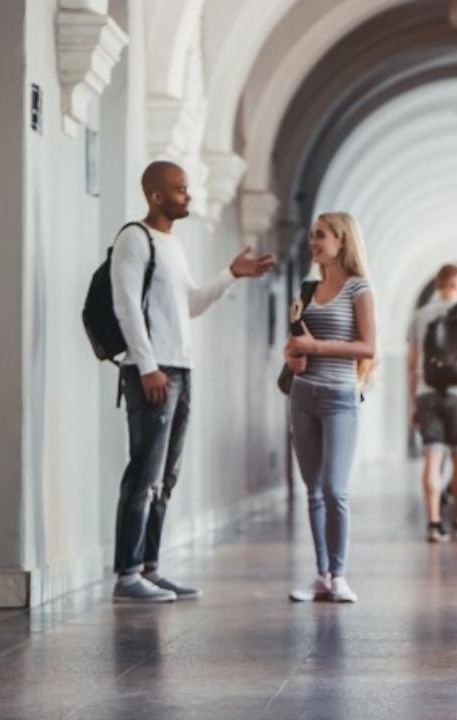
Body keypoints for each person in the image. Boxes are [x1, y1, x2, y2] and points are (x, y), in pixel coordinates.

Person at [110, 161, 275, 603]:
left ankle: (150, 567)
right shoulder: (134, 238)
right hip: (153, 370)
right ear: (156, 196)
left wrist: (230, 275)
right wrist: (146, 367)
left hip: (180, 368)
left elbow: (191, 305)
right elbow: (126, 306)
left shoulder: (173, 247)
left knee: (168, 475)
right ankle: (127, 574)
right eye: (181, 190)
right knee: (144, 472)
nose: (189, 196)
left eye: (188, 188)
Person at [284, 212, 376, 604]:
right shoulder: (306, 289)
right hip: (303, 394)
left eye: (320, 236)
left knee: (335, 489)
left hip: (340, 396)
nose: (313, 243)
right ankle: (321, 574)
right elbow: (293, 343)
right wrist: (294, 356)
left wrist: (316, 348)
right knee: (313, 491)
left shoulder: (359, 289)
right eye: (311, 236)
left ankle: (339, 574)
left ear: (341, 240)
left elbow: (369, 347)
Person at [408, 264, 457, 542]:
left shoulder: (420, 315)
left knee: (432, 458)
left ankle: (433, 523)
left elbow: (412, 362)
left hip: (427, 392)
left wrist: (412, 404)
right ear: (454, 283)